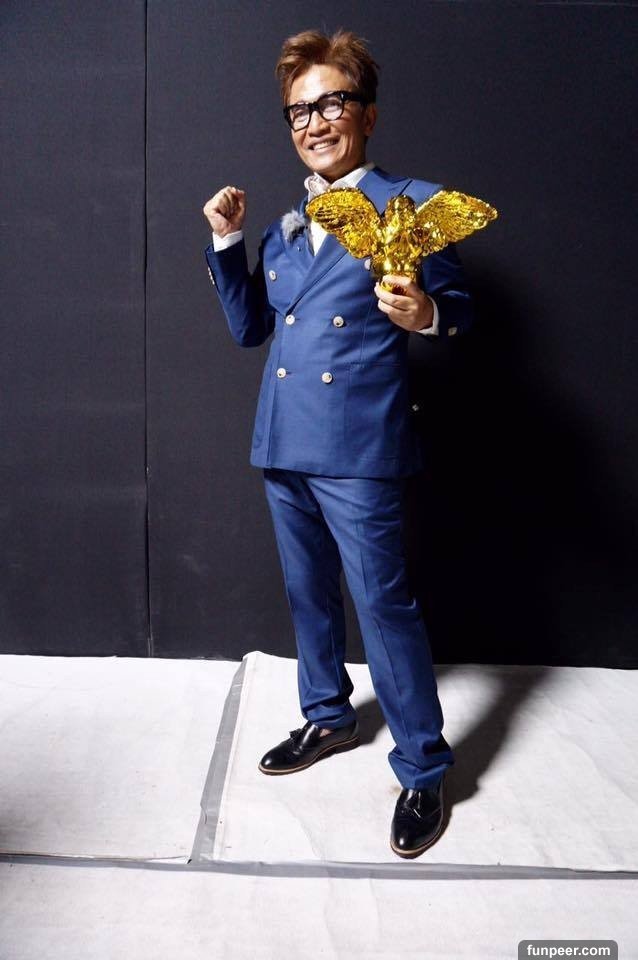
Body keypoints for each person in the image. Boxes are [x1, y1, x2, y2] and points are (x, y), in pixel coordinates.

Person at [202, 29, 474, 858]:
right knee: (307, 594)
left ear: (367, 114)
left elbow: (458, 308)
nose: (314, 123)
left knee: (383, 606)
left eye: (331, 103)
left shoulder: (408, 207)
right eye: (299, 111)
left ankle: (422, 767)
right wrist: (226, 244)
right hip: (284, 437)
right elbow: (251, 329)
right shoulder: (284, 229)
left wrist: (426, 313)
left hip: (359, 445)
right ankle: (327, 717)